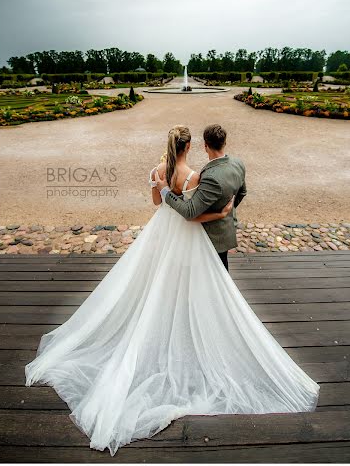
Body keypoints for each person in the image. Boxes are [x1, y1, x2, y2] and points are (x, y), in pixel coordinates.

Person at [25, 124, 320, 457]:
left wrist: (163, 190)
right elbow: (191, 215)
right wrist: (222, 212)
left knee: (152, 280)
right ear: (190, 145)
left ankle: (162, 316)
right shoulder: (193, 175)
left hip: (160, 232)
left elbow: (157, 203)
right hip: (184, 234)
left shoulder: (157, 170)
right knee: (189, 281)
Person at [155, 123, 246, 272]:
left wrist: (165, 191)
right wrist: (227, 211)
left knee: (212, 275)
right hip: (224, 231)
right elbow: (242, 192)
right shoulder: (238, 164)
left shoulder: (210, 177)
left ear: (205, 146)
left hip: (210, 235)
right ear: (224, 142)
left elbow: (190, 212)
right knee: (221, 273)